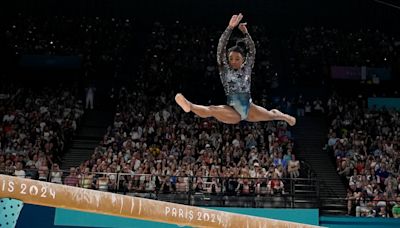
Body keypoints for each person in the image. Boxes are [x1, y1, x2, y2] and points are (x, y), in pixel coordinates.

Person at [175, 13, 296, 126]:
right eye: (231, 59)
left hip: (249, 108)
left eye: (237, 59)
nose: (233, 61)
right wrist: (229, 28)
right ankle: (189, 106)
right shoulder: (225, 69)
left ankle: (284, 116)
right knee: (212, 109)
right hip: (232, 110)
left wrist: (246, 34)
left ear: (243, 60)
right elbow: (220, 48)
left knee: (271, 115)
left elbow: (252, 51)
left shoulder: (247, 67)